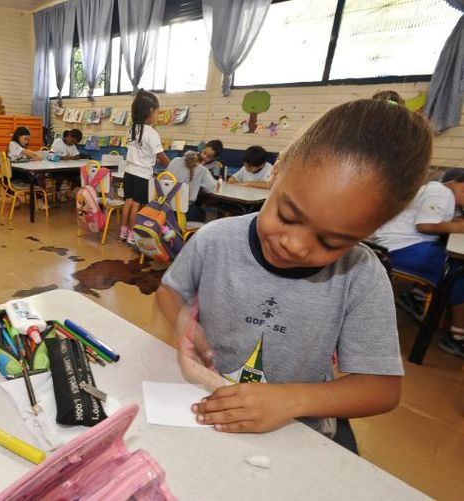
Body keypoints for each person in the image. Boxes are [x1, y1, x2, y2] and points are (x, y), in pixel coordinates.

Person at [156, 99, 432, 453]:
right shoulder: (215, 239)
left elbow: (382, 389)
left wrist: (290, 401)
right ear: (278, 169)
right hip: (207, 408)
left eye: (331, 242)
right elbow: (169, 292)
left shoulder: (361, 276)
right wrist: (185, 323)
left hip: (295, 434)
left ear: (372, 229)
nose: (295, 246)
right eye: (287, 215)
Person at [372, 168, 464, 357]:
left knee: (448, 259)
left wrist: (454, 221)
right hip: (400, 250)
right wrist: (459, 226)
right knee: (458, 272)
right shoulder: (442, 194)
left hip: (397, 246)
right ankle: (457, 336)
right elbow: (425, 225)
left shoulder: (438, 190)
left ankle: (415, 296)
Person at [120, 90, 170, 245]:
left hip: (128, 172)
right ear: (150, 111)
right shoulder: (152, 133)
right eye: (157, 111)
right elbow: (162, 158)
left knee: (128, 202)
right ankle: (132, 235)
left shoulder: (132, 129)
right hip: (142, 175)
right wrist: (172, 166)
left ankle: (123, 233)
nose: (157, 115)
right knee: (136, 205)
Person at [166, 151, 217, 223]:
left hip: (166, 207)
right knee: (203, 213)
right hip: (184, 212)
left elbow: (165, 178)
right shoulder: (202, 170)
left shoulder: (175, 160)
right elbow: (211, 188)